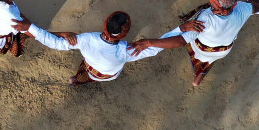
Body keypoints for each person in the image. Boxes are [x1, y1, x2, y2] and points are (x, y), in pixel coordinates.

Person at [128, 0, 259, 86]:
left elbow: (180, 41)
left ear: (214, 3)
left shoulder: (205, 19)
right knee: (211, 59)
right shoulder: (243, 8)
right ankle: (197, 80)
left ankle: (198, 76)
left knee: (201, 50)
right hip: (223, 50)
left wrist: (148, 42)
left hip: (202, 48)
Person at [12, 11, 155, 86]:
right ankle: (77, 81)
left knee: (82, 72)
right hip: (105, 76)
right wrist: (148, 42)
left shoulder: (86, 38)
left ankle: (76, 80)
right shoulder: (128, 50)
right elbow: (156, 49)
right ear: (125, 34)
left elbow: (55, 42)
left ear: (105, 25)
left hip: (89, 66)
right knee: (89, 78)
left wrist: (30, 29)